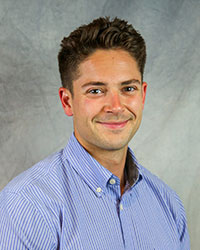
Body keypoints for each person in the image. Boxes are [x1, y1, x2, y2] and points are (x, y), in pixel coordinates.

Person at [0, 17, 190, 249]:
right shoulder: (27, 204)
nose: (116, 106)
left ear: (143, 95)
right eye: (96, 90)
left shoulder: (169, 205)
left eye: (128, 88)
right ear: (67, 101)